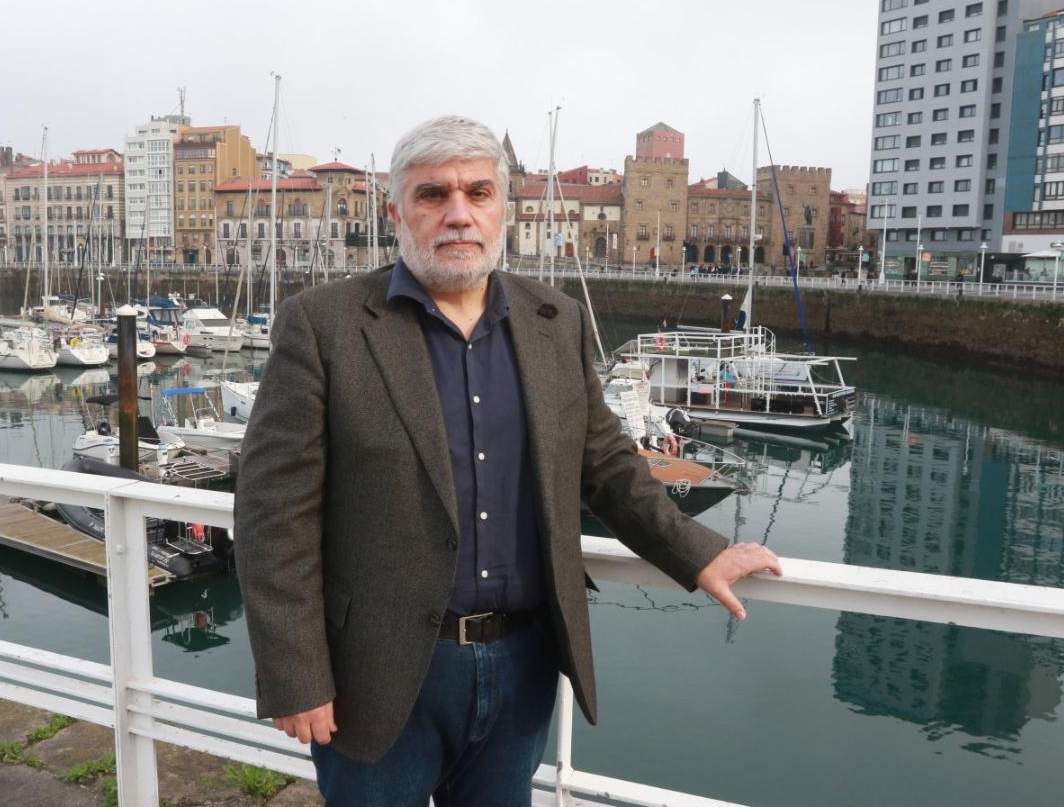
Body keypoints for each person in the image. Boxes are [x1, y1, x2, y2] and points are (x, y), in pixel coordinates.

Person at [234, 115, 781, 806]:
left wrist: (697, 553)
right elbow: (272, 515)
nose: (458, 215)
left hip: (523, 664)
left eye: (478, 193)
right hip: (374, 668)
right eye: (433, 195)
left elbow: (606, 460)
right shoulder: (325, 324)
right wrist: (297, 675)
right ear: (395, 211)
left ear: (503, 207)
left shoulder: (553, 319)